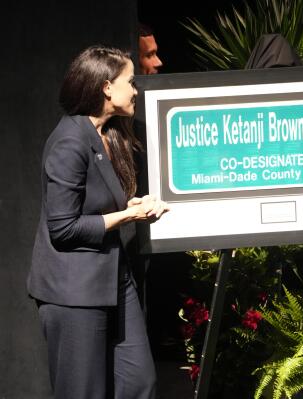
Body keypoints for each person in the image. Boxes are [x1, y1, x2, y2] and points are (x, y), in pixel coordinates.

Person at [27, 45, 169, 399]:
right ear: (107, 88)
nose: (136, 90)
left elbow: (98, 202)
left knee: (139, 383)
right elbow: (63, 229)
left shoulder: (108, 136)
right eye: (130, 82)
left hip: (114, 280)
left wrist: (133, 204)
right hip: (73, 290)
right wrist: (127, 216)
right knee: (83, 392)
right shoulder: (69, 143)